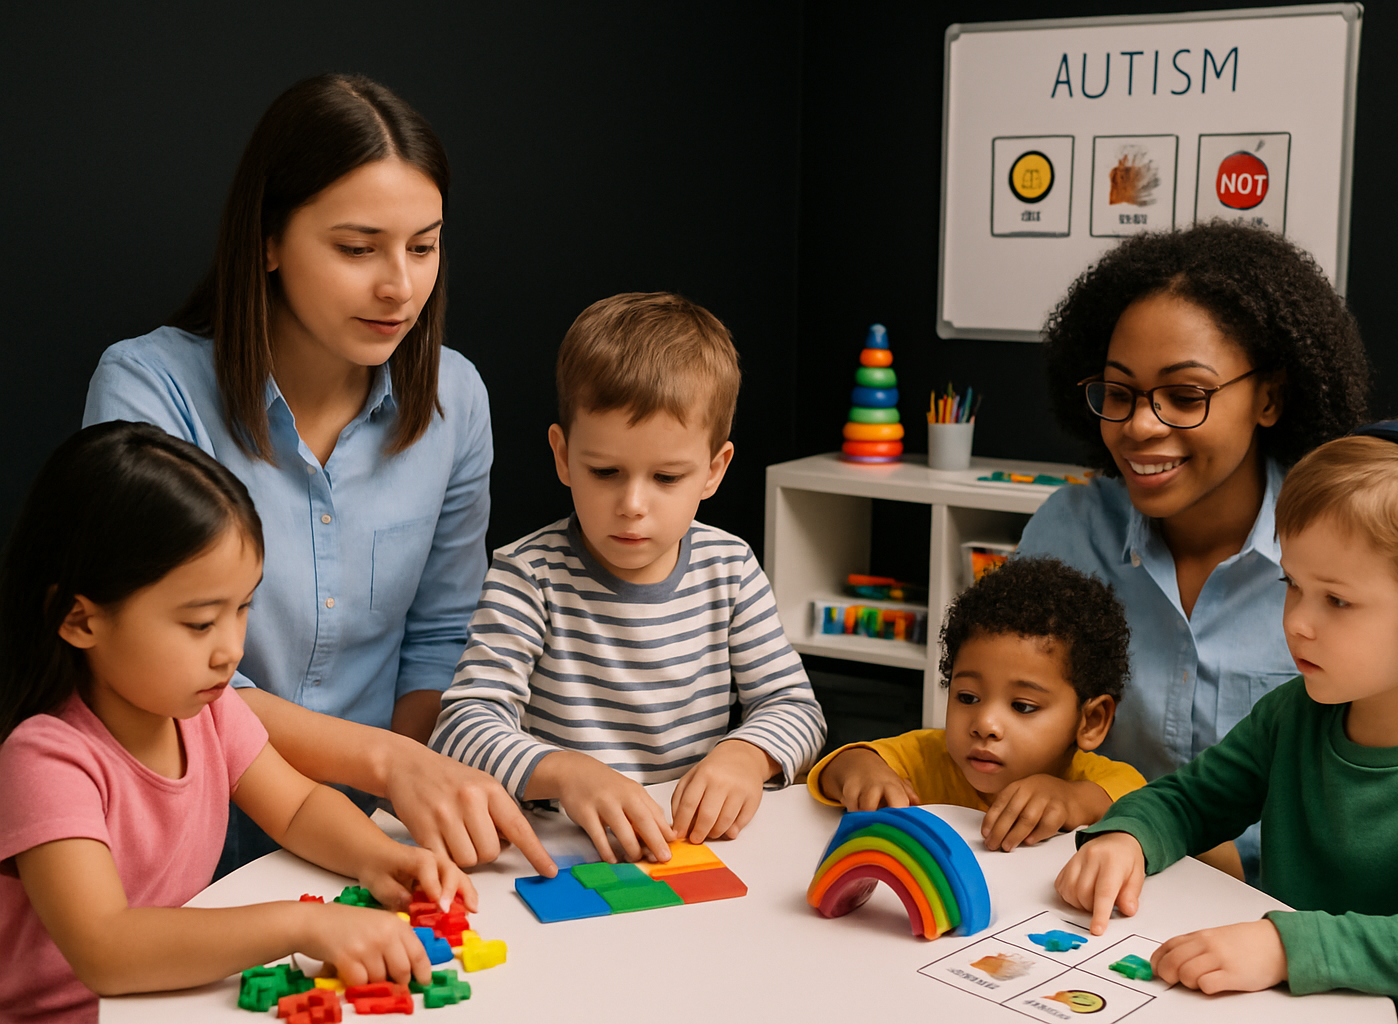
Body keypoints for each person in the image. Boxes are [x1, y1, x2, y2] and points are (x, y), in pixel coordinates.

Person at [82, 73, 553, 876]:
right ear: (267, 239)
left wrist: (399, 795)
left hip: (375, 830)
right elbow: (148, 661)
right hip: (184, 835)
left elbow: (442, 637)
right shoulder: (147, 390)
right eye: (357, 248)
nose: (399, 286)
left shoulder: (455, 398)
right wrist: (384, 767)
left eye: (424, 245)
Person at [1016, 221, 1398, 878]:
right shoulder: (1066, 534)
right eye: (1120, 394)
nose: (1139, 426)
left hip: (1299, 926)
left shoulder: (1364, 555)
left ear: (1269, 397)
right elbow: (996, 720)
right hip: (1101, 887)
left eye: (1185, 396)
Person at [1055, 413, 1398, 1023]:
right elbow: (1191, 801)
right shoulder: (1294, 716)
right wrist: (1129, 836)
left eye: (1337, 600)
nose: (1297, 623)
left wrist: (1285, 944)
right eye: (1292, 585)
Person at [0, 422, 476, 1023]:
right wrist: (301, 923)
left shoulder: (208, 711)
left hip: (177, 1000)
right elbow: (106, 951)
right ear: (79, 620)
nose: (230, 649)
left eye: (242, 608)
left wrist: (380, 858)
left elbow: (299, 807)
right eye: (201, 623)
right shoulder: (46, 759)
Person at [431, 292, 827, 863]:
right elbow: (463, 727)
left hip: (688, 848)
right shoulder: (528, 575)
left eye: (666, 477)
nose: (632, 504)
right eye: (605, 472)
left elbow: (795, 707)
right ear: (563, 456)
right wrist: (564, 772)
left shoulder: (730, 569)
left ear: (714, 470)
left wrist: (745, 755)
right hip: (562, 852)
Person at [808, 556, 1146, 851]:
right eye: (968, 698)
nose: (985, 724)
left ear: (1091, 720)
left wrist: (1071, 800)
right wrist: (864, 775)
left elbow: (1142, 806)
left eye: (1022, 706)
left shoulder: (1090, 778)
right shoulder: (928, 758)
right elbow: (841, 766)